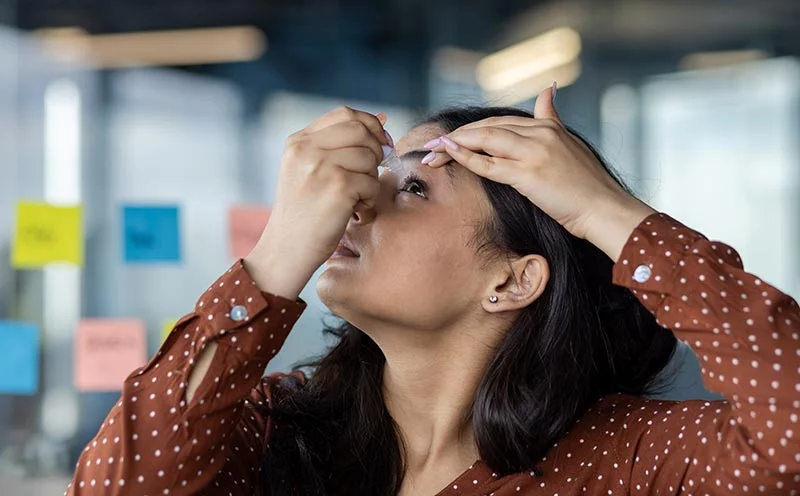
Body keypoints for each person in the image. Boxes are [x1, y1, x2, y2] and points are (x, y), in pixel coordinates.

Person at [67, 85, 799, 495]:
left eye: (413, 187)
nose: (358, 204)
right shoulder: (275, 430)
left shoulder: (625, 461)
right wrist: (279, 252)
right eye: (375, 178)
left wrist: (610, 213)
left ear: (512, 280)